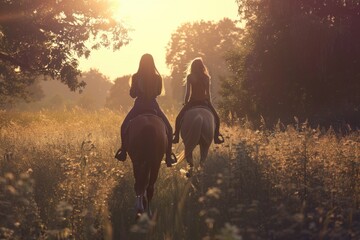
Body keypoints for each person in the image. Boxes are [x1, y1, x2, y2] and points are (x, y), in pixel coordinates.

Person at [115, 53, 177, 167]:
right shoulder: (157, 78)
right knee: (169, 127)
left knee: (124, 126)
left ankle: (123, 151)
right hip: (153, 106)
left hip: (139, 106)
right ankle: (168, 155)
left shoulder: (136, 76)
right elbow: (158, 92)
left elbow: (132, 95)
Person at [172, 57, 224, 144]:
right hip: (204, 102)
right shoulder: (206, 77)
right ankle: (216, 137)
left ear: (193, 67)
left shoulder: (190, 77)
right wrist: (209, 103)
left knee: (178, 118)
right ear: (202, 66)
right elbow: (208, 93)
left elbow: (188, 93)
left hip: (192, 102)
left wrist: (185, 103)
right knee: (217, 118)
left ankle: (176, 136)